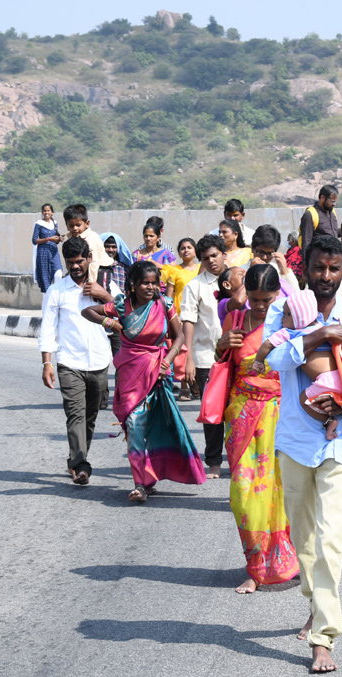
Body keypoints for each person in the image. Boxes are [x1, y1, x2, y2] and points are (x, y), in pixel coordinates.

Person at [263, 234, 342, 673]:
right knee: (305, 542)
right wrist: (320, 333)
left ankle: (324, 637)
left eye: (334, 269)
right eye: (319, 268)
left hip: (340, 441)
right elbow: (272, 360)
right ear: (305, 268)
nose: (326, 276)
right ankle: (316, 601)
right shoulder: (282, 310)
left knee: (329, 540)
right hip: (294, 440)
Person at [81, 261, 205, 502]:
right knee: (135, 425)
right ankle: (139, 483)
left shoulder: (164, 304)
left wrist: (167, 361)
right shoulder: (122, 306)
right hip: (130, 376)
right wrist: (110, 322)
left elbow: (179, 337)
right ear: (133, 285)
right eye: (145, 283)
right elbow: (87, 311)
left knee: (157, 426)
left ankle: (149, 478)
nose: (150, 287)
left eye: (154, 283)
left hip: (158, 374)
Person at [216, 263, 298, 594]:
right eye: (254, 299)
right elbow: (222, 363)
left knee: (281, 492)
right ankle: (255, 565)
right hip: (241, 416)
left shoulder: (290, 321)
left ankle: (283, 561)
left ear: (278, 293)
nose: (261, 306)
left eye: (267, 299)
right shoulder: (235, 320)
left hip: (280, 417)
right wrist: (222, 344)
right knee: (243, 494)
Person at [251, 288, 342, 440]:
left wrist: (258, 361)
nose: (282, 319)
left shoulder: (289, 332)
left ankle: (328, 422)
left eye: (286, 315)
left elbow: (267, 344)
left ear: (298, 318)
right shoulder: (323, 327)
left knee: (304, 401)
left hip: (325, 382)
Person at [40, 237, 117, 486]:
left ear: (89, 259)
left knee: (91, 415)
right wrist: (47, 363)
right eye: (70, 262)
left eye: (79, 261)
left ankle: (76, 457)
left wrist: (104, 295)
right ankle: (81, 465)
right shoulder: (56, 291)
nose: (75, 266)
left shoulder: (105, 285)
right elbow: (48, 328)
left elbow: (127, 312)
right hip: (69, 362)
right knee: (75, 414)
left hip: (99, 360)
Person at [181, 234, 228, 477]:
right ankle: (214, 462)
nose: (211, 261)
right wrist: (187, 358)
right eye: (205, 258)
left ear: (224, 254)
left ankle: (241, 460)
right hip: (206, 359)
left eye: (214, 255)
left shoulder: (241, 280)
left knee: (240, 412)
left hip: (239, 359)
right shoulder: (195, 286)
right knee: (212, 413)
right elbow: (188, 321)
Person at [162, 237, 200, 400]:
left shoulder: (201, 269)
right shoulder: (174, 271)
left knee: (197, 350)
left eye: (189, 247)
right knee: (182, 352)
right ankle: (184, 387)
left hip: (200, 314)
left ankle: (197, 383)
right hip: (180, 316)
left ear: (195, 251)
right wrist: (172, 317)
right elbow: (168, 298)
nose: (186, 250)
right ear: (179, 252)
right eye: (183, 248)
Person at [59, 204, 113, 281]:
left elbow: (94, 262)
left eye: (78, 225)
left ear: (87, 224)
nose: (75, 228)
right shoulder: (72, 238)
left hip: (101, 268)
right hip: (86, 269)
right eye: (71, 226)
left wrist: (91, 282)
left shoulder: (91, 239)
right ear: (67, 226)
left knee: (100, 288)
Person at [249, 225, 300, 296]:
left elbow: (296, 295)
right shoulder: (241, 271)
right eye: (260, 252)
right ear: (252, 248)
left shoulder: (279, 271)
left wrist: (284, 271)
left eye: (269, 253)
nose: (264, 257)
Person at [298, 184, 340, 251]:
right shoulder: (310, 214)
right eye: (332, 201)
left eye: (335, 201)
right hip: (319, 258)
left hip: (333, 256)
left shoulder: (332, 212)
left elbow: (332, 232)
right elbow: (306, 242)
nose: (334, 204)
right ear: (323, 197)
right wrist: (306, 261)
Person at [32, 203, 62, 293]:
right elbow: (34, 240)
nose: (46, 212)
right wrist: (48, 239)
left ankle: (56, 294)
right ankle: (47, 300)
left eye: (48, 210)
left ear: (52, 212)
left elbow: (56, 238)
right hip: (43, 252)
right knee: (45, 278)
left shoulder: (54, 223)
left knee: (58, 273)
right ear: (42, 212)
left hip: (53, 251)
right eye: (45, 211)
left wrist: (59, 239)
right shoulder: (39, 224)